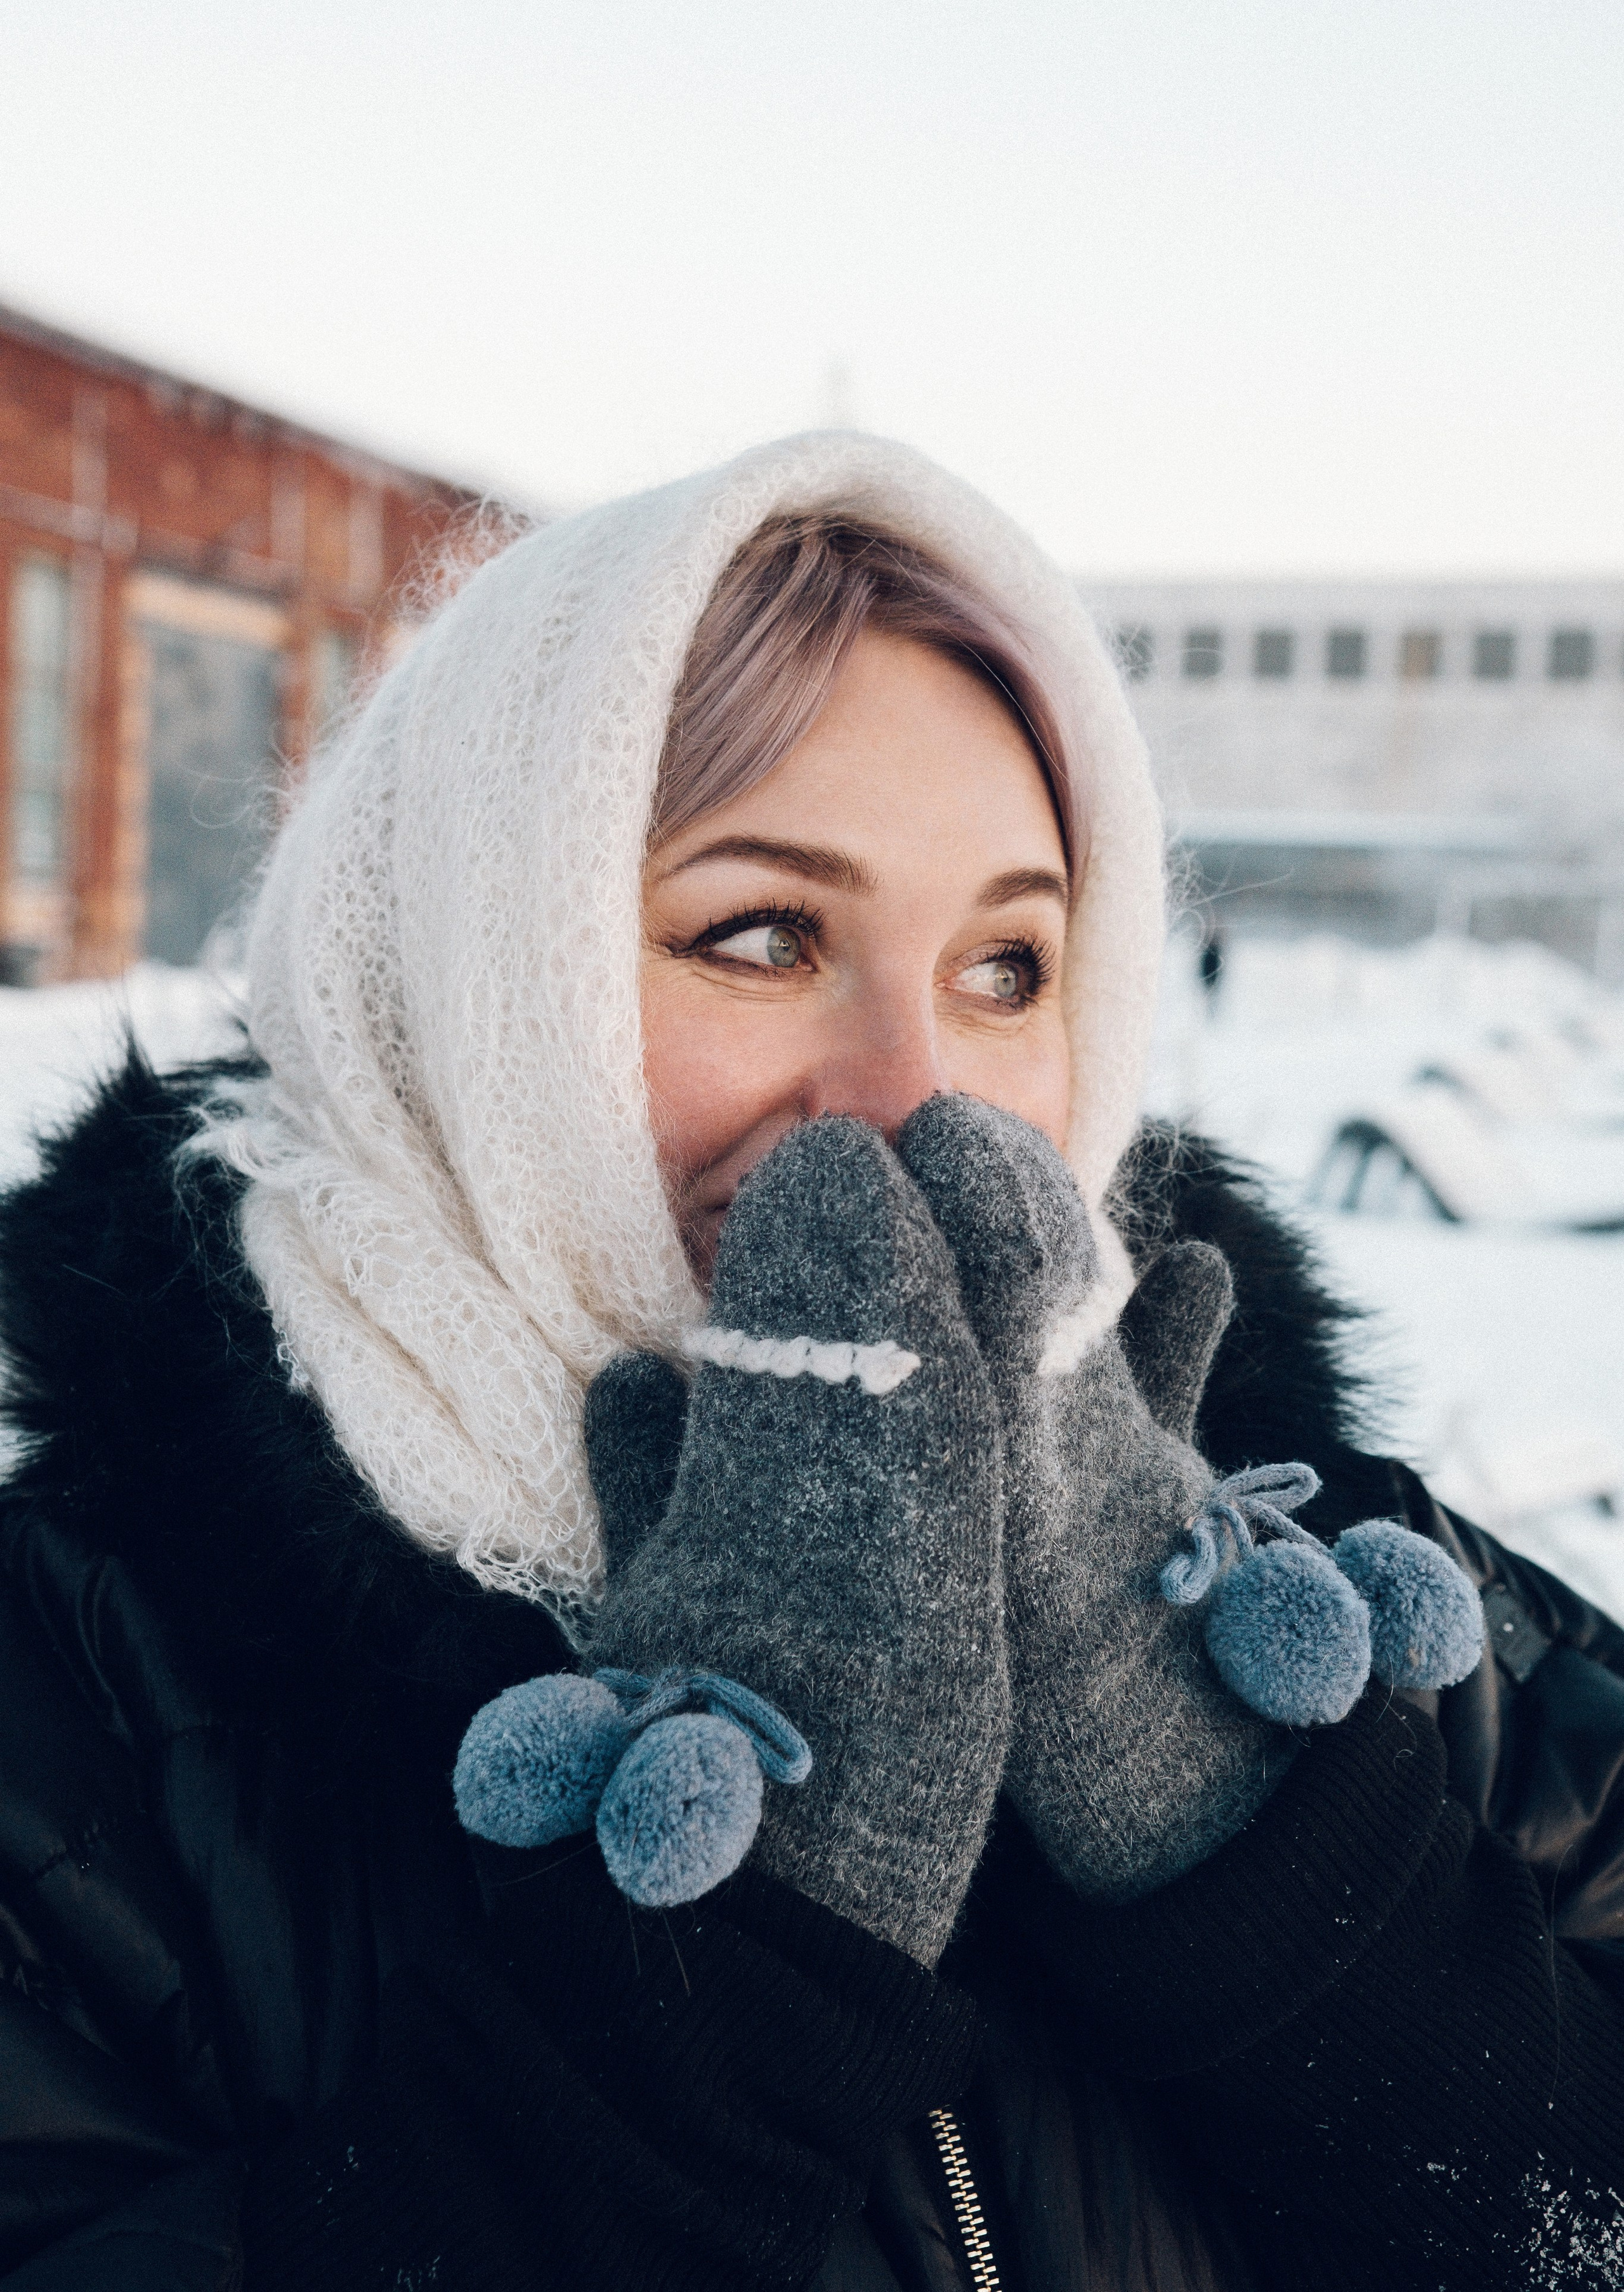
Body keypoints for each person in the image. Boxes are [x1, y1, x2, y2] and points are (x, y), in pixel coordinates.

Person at [0, 433, 1621, 2292]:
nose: (916, 1097)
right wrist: (718, 1988)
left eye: (1006, 967)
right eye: (761, 935)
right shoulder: (80, 1714)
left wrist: (1280, 1880)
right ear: (456, 979)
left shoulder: (1325, 1597)